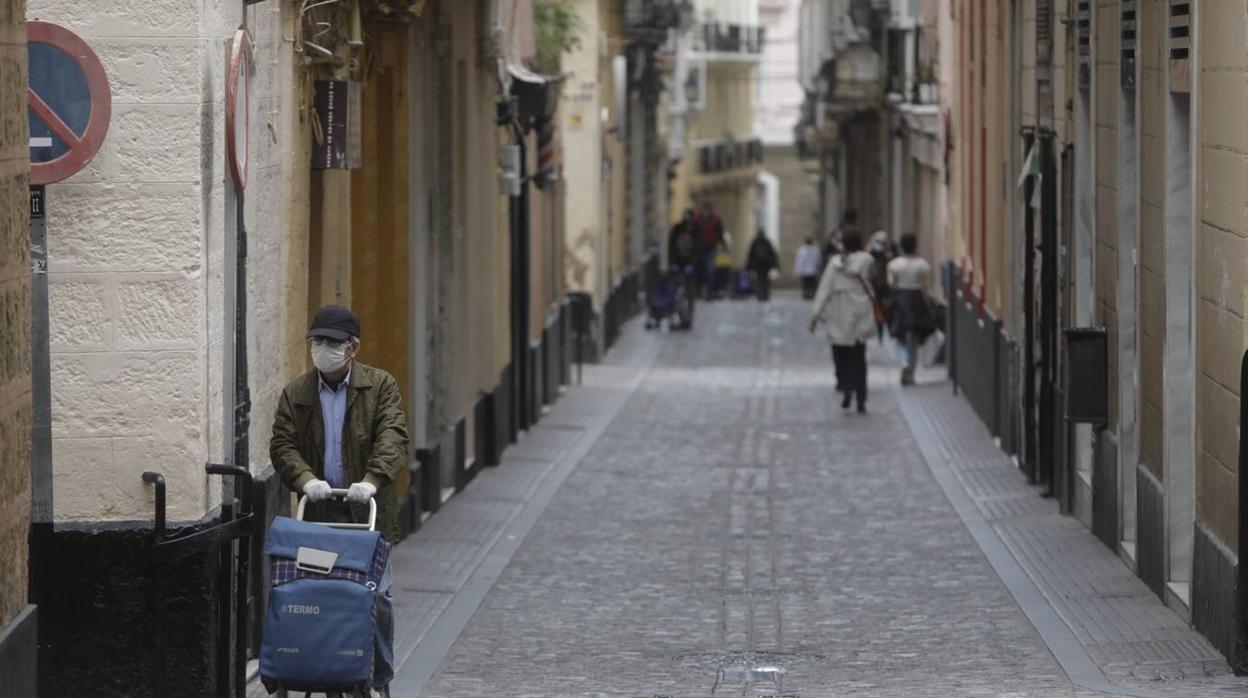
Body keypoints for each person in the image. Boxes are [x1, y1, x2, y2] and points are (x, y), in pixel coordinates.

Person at [270, 304, 409, 543]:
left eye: (332, 343)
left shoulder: (380, 387)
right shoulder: (296, 394)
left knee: (364, 578)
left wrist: (370, 482)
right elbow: (283, 445)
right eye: (317, 342)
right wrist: (306, 480)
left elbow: (393, 437)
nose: (323, 349)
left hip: (367, 506)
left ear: (353, 348)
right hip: (319, 507)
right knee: (318, 575)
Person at [809, 231, 877, 413]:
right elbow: (874, 281)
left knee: (841, 353)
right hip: (861, 310)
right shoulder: (867, 261)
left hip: (839, 310)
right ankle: (861, 397)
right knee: (860, 356)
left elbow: (824, 290)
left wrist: (815, 316)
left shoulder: (834, 264)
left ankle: (846, 387)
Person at [887, 233, 935, 386]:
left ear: (901, 246)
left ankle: (903, 362)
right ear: (916, 245)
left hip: (900, 299)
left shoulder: (894, 264)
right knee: (913, 338)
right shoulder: (923, 265)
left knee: (900, 335)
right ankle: (911, 373)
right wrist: (928, 302)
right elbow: (925, 287)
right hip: (916, 300)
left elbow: (891, 284)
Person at [867, 230, 897, 341]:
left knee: (885, 309)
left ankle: (885, 332)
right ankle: (878, 332)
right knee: (875, 309)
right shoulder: (870, 253)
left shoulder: (888, 254)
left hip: (883, 285)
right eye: (878, 241)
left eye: (883, 242)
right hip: (873, 284)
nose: (880, 244)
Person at [695, 200, 726, 299]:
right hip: (699, 247)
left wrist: (723, 245)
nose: (705, 211)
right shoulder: (698, 218)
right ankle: (698, 292)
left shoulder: (716, 218)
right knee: (699, 269)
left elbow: (720, 232)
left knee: (710, 270)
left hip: (711, 247)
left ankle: (709, 292)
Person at [746, 229, 779, 302]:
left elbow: (750, 255)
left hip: (757, 265)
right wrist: (774, 265)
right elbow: (772, 254)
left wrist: (749, 266)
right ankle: (765, 295)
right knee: (766, 280)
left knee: (759, 280)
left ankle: (760, 295)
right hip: (766, 265)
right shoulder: (767, 242)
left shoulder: (755, 242)